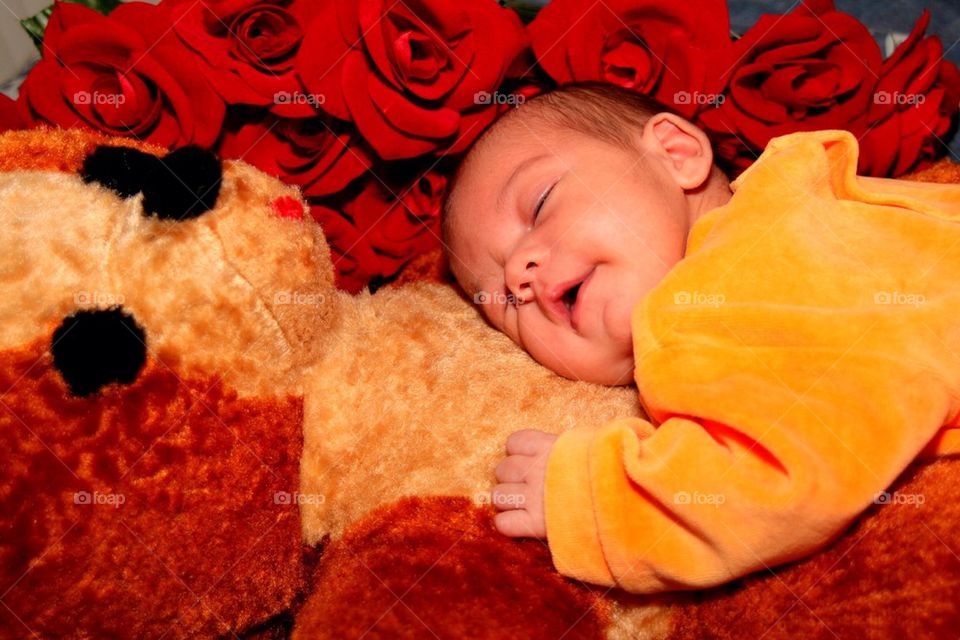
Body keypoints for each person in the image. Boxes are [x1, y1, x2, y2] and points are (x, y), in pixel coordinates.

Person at [441, 81, 960, 592]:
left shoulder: (718, 288)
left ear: (675, 152)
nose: (519, 272)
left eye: (539, 203)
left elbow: (782, 476)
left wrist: (597, 498)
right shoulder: (791, 217)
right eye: (505, 304)